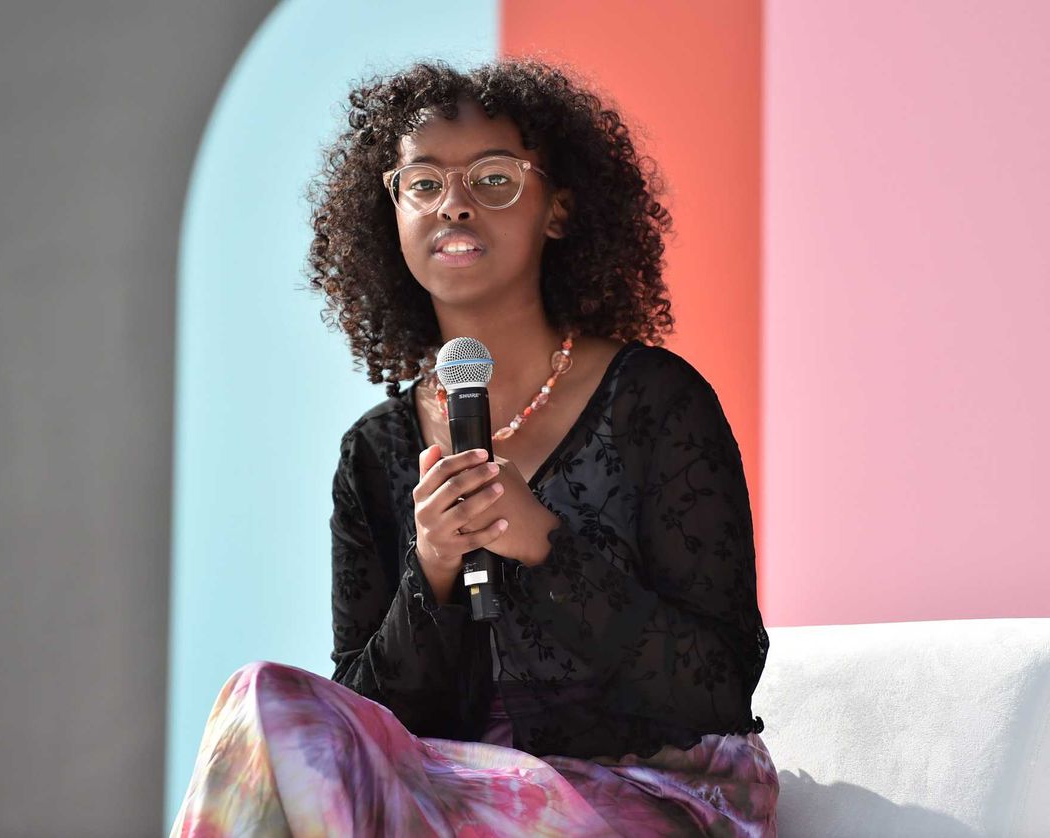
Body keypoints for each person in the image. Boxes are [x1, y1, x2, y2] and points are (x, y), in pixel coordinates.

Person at [170, 57, 778, 837]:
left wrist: (544, 549)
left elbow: (718, 686)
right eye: (423, 183)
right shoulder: (376, 453)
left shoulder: (655, 401)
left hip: (659, 793)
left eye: (493, 179)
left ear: (556, 209)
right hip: (454, 793)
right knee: (267, 699)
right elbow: (368, 721)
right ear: (389, 213)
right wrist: (433, 571)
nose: (452, 206)